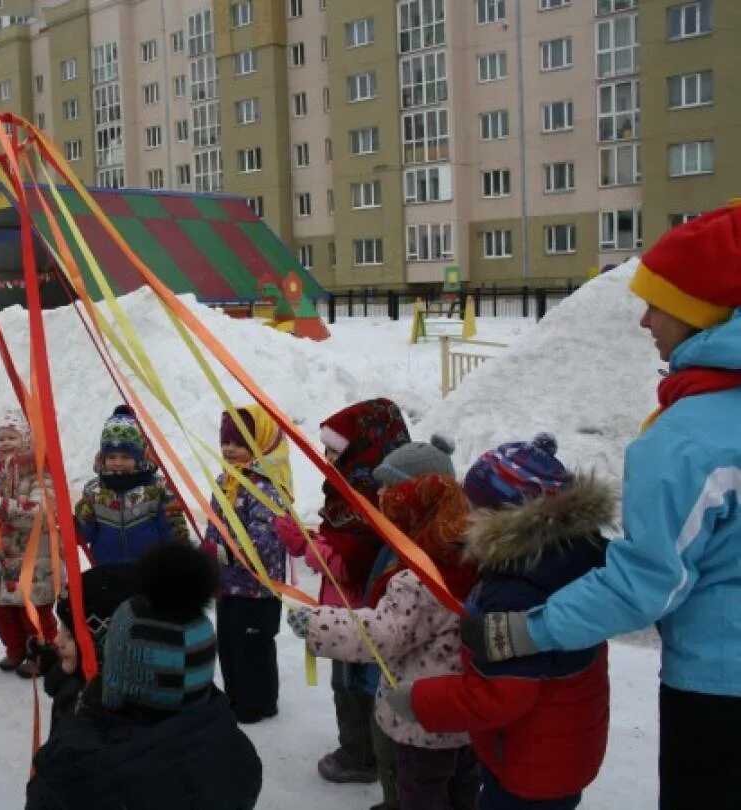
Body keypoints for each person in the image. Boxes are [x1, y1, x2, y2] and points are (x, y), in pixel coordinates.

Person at [456, 206, 741, 810]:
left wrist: (526, 631)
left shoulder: (688, 439)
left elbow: (648, 582)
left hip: (720, 689)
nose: (644, 320)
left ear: (703, 313)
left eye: (660, 303)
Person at [394, 435, 613, 809]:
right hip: (560, 750)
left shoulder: (517, 590)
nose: (467, 517)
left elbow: (501, 697)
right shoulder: (566, 557)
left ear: (508, 517)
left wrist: (420, 700)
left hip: (528, 764)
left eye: (475, 509)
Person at [288, 459, 479, 810]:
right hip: (464, 715)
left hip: (421, 723)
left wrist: (317, 625)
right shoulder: (473, 563)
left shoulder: (419, 580)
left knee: (421, 792)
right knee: (462, 791)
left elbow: (382, 633)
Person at [25, 543, 262, 809]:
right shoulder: (232, 748)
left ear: (114, 662)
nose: (57, 640)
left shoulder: (76, 772)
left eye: (70, 634)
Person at [282, 399, 411, 783]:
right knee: (346, 683)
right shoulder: (349, 490)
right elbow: (339, 544)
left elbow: (350, 562)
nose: (327, 458)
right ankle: (359, 750)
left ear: (365, 450)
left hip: (365, 616)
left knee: (364, 687)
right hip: (347, 614)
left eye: (336, 450)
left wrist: (306, 545)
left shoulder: (374, 499)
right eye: (326, 449)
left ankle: (364, 757)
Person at [203, 405, 289, 725]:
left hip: (258, 588)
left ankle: (259, 703)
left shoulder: (266, 484)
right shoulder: (225, 481)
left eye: (238, 443)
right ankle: (236, 697)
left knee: (253, 646)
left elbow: (265, 536)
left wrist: (229, 551)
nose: (229, 448)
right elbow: (215, 524)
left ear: (260, 443)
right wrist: (210, 553)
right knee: (229, 644)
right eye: (225, 441)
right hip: (229, 584)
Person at [0, 409, 63, 678]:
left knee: (33, 613)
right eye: (1, 439)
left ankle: (42, 655)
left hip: (33, 563)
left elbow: (40, 513)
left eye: (12, 437)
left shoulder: (40, 474)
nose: (5, 443)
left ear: (27, 440)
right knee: (0, 611)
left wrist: (4, 507)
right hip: (1, 560)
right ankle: (16, 649)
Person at [29, 562, 138, 735]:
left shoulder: (112, 707)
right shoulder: (79, 671)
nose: (57, 640)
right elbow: (53, 687)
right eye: (61, 630)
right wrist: (59, 667)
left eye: (70, 635)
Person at [73, 405, 189, 565]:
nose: (118, 463)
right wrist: (74, 527)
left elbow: (174, 532)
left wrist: (180, 557)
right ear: (102, 457)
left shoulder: (157, 488)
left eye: (126, 457)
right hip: (108, 574)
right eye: (111, 457)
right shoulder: (94, 490)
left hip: (150, 574)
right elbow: (86, 534)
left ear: (140, 456)